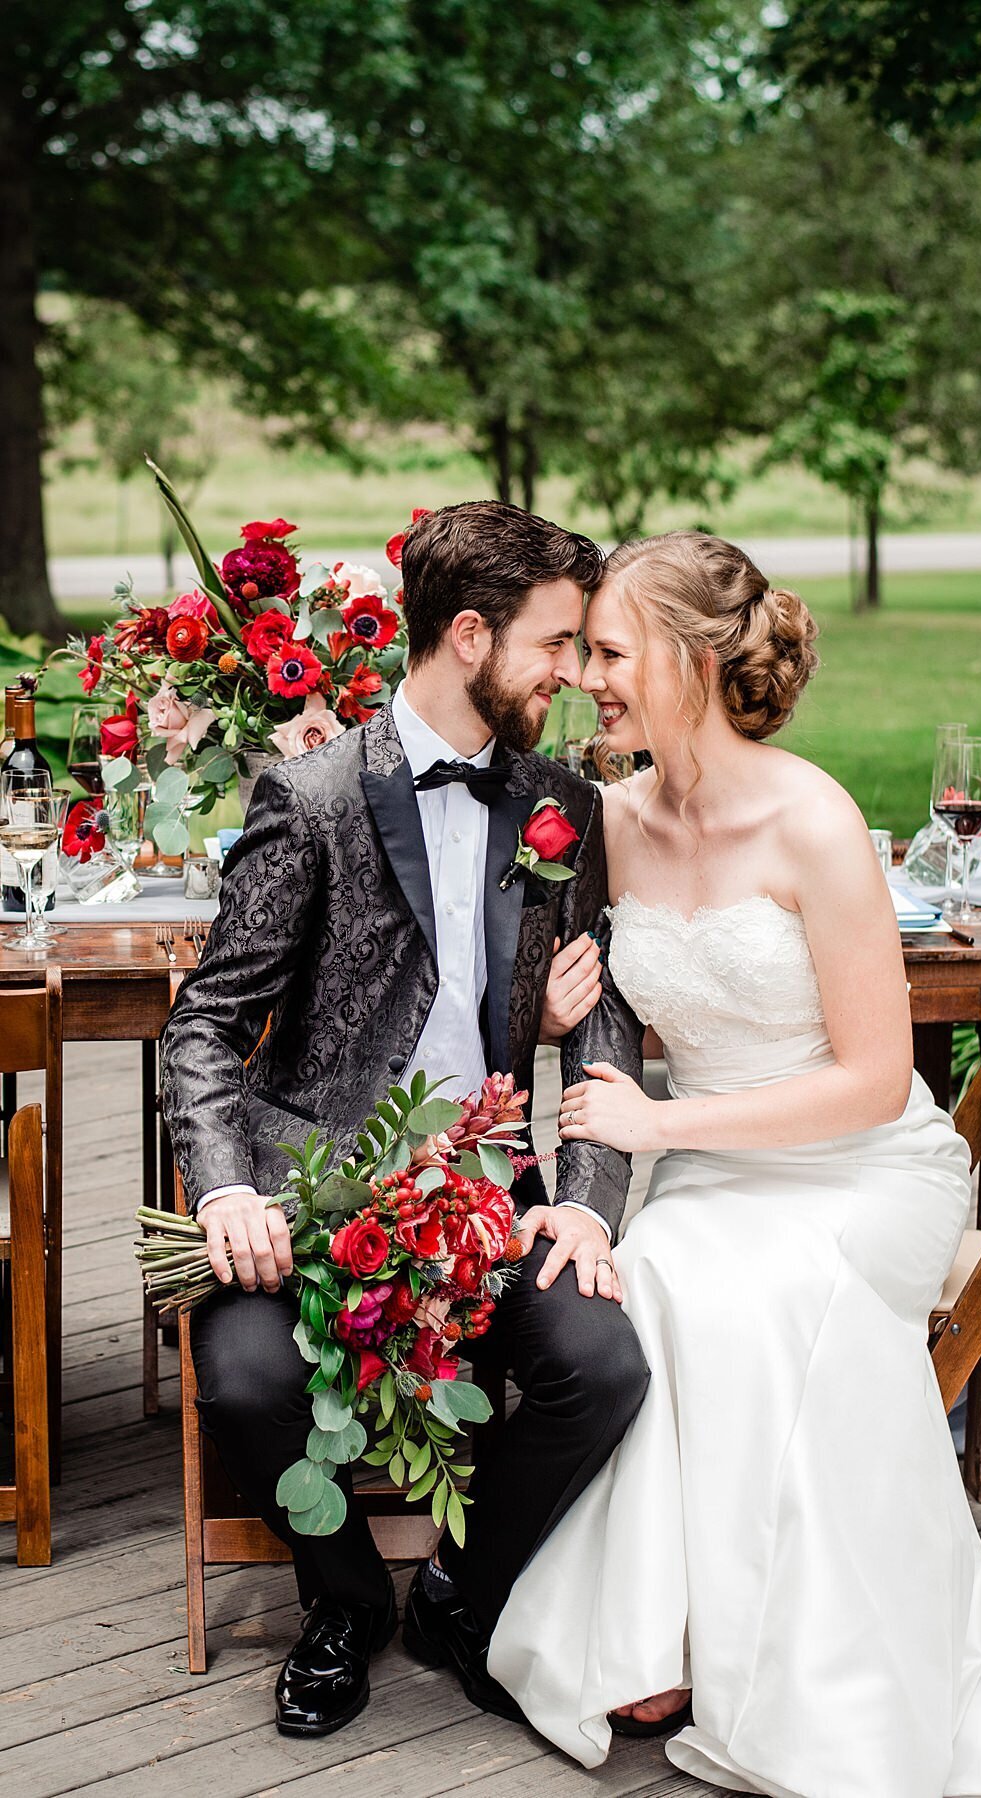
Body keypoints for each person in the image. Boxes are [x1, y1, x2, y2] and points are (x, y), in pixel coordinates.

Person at [488, 531, 981, 1795]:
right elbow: (608, 1009)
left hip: (863, 1166)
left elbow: (876, 1079)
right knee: (653, 1277)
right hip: (717, 1164)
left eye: (610, 650)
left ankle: (797, 1666)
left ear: (692, 661)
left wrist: (658, 1129)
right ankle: (667, 1639)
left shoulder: (811, 818)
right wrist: (554, 1019)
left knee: (757, 1293)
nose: (593, 675)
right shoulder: (605, 817)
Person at [161, 501, 648, 1739]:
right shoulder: (312, 797)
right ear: (471, 635)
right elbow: (208, 1024)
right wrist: (225, 1189)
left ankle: (457, 1593)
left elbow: (600, 1027)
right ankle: (342, 1604)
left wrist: (588, 1207)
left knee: (604, 1368)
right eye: (556, 645)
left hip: (492, 1189)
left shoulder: (561, 805)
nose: (573, 674)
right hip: (310, 1194)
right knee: (247, 1377)